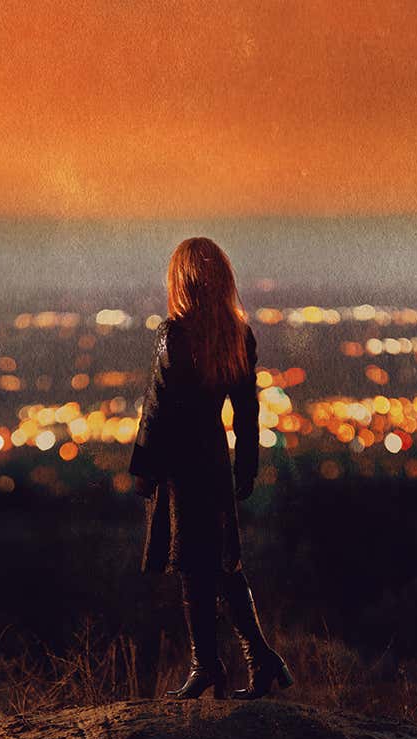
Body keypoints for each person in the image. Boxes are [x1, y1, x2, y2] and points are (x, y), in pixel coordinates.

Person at [128, 237, 293, 701]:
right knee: (221, 564)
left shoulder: (175, 334)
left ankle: (211, 665)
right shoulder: (237, 334)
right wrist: (246, 467)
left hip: (182, 463)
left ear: (182, 280)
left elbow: (157, 409)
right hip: (215, 462)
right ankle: (254, 661)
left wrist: (144, 468)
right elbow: (246, 411)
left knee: (193, 566)